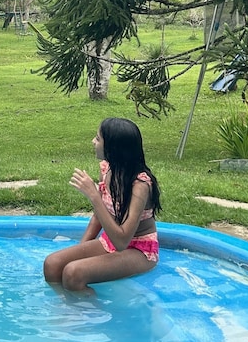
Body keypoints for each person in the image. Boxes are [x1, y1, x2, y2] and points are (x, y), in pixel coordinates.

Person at [43, 117, 161, 292]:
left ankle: (88, 309)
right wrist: (81, 249)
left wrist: (94, 196)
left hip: (139, 249)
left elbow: (122, 242)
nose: (93, 141)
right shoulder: (106, 169)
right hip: (109, 241)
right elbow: (98, 217)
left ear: (113, 147)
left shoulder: (140, 185)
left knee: (73, 273)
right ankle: (67, 304)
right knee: (52, 264)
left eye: (98, 138)